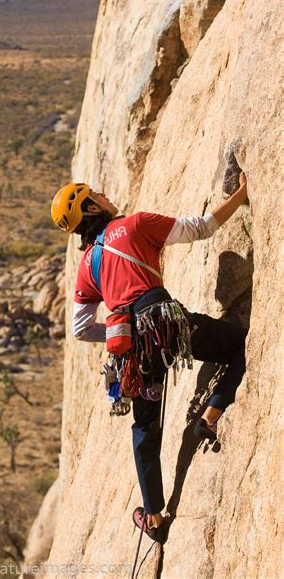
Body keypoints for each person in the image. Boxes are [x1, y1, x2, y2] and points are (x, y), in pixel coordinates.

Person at [50, 175, 248, 543]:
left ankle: (153, 517)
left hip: (131, 350)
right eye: (95, 195)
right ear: (90, 207)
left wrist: (114, 332)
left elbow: (80, 328)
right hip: (167, 325)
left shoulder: (88, 265)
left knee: (145, 428)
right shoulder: (135, 224)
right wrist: (242, 194)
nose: (104, 195)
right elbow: (202, 227)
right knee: (237, 346)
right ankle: (211, 414)